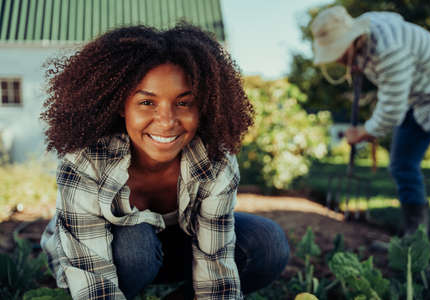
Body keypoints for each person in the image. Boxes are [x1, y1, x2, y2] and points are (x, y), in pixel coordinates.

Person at [40, 24, 290, 300]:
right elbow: (93, 279)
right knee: (136, 244)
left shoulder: (214, 160)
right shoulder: (86, 159)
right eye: (147, 103)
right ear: (120, 105)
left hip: (175, 251)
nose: (167, 121)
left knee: (267, 242)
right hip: (97, 259)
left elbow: (215, 265)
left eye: (183, 103)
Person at [310, 6, 430, 275]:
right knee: (402, 164)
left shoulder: (389, 49)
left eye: (338, 52)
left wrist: (363, 132)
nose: (338, 61)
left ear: (352, 38)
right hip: (416, 99)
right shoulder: (365, 37)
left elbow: (391, 111)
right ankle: (413, 243)